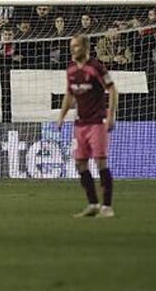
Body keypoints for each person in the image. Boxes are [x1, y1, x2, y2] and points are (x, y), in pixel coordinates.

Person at [57, 35, 118, 219]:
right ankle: (92, 203)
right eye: (71, 46)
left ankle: (107, 207)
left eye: (76, 46)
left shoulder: (96, 67)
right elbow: (69, 94)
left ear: (85, 47)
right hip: (80, 124)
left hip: (97, 122)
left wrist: (111, 115)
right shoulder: (70, 69)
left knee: (100, 162)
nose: (72, 49)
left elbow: (113, 89)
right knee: (80, 164)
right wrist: (61, 116)